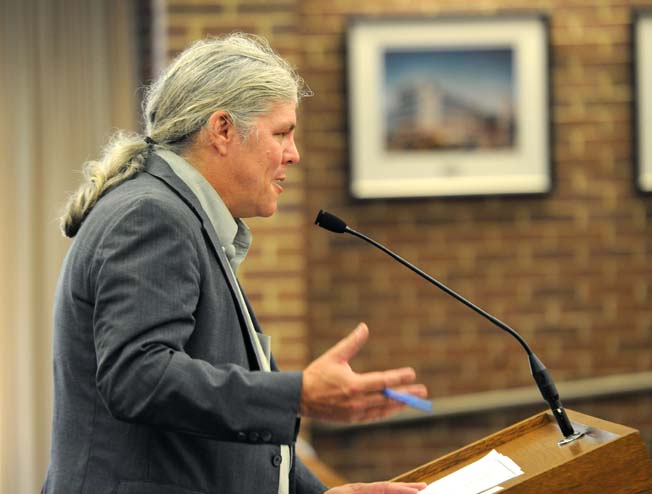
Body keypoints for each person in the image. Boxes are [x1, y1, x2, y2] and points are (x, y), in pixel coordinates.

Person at [42, 33, 428, 494]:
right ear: (222, 130)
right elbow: (139, 376)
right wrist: (297, 394)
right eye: (282, 133)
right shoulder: (151, 216)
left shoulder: (178, 214)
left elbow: (202, 434)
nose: (294, 154)